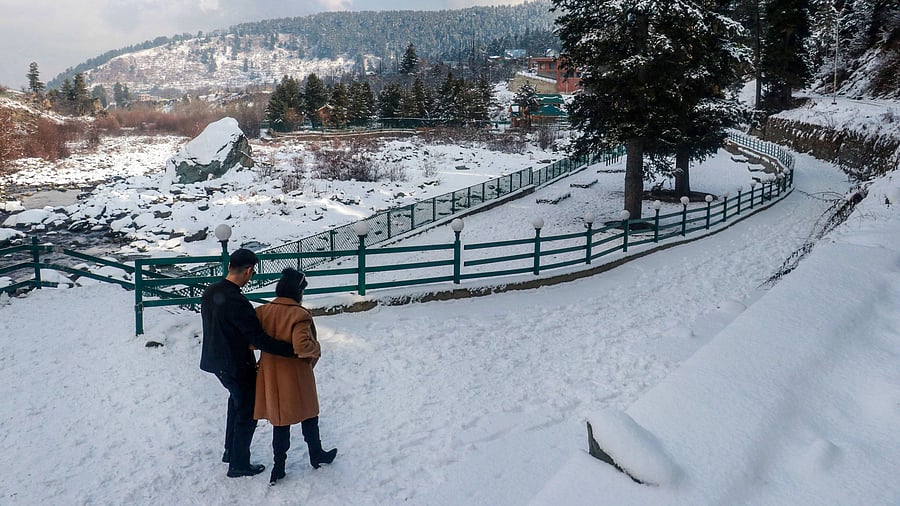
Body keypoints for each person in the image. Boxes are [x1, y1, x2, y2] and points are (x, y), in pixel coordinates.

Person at [200, 248, 298, 478]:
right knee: (247, 409)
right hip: (235, 364)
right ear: (248, 271)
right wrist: (290, 350)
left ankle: (230, 451)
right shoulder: (237, 301)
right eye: (252, 273)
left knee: (236, 402)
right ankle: (239, 464)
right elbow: (258, 338)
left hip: (216, 361)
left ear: (229, 266)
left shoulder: (211, 291)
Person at [254, 267, 337, 485]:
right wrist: (316, 348)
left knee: (280, 421)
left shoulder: (262, 311)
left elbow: (252, 342)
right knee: (309, 414)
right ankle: (316, 454)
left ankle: (279, 467)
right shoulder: (299, 315)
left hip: (271, 376)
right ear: (297, 292)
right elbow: (301, 346)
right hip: (296, 375)